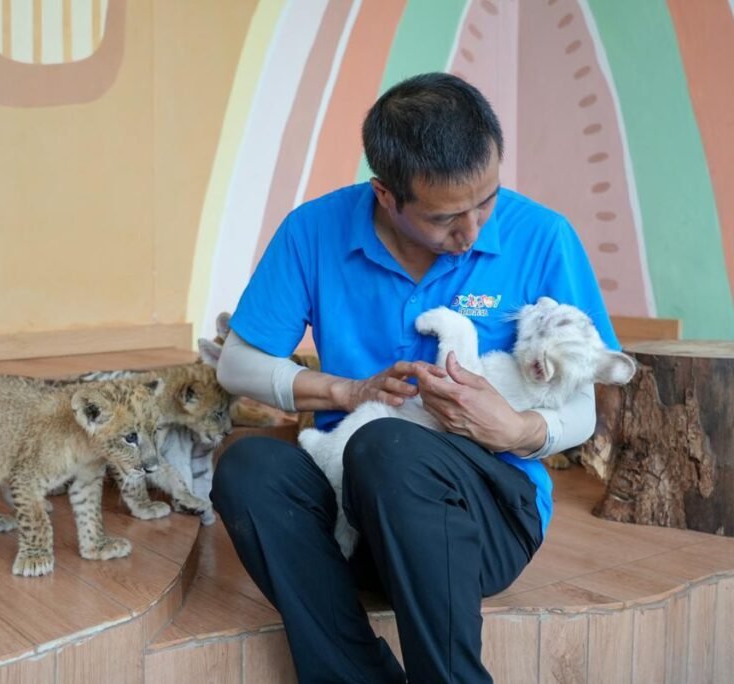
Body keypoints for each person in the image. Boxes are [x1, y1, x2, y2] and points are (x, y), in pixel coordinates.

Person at [209, 72, 620, 683]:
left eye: (487, 200)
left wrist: (517, 429)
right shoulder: (314, 231)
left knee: (390, 446)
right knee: (248, 467)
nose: (474, 230)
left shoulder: (543, 237)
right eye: (446, 217)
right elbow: (237, 363)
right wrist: (346, 391)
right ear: (386, 194)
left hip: (483, 524)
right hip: (351, 523)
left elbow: (582, 408)